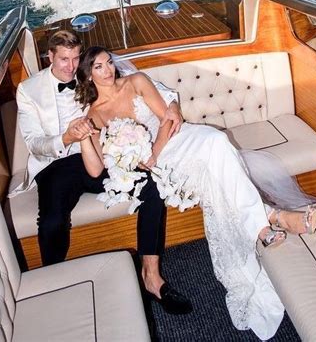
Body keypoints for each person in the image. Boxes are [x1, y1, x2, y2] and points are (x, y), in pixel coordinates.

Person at [76, 47, 316, 341]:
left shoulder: (136, 81)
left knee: (217, 141)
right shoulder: (95, 114)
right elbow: (102, 165)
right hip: (158, 166)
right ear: (90, 76)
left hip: (175, 140)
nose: (108, 70)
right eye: (99, 67)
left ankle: (264, 224)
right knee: (216, 172)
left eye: (109, 63)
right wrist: (123, 153)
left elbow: (165, 117)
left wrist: (154, 151)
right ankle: (270, 218)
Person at [14, 30, 192, 315]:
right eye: (63, 60)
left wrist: (172, 105)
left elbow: (146, 86)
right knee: (52, 221)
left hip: (103, 156)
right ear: (50, 57)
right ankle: (54, 286)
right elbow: (34, 143)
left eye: (75, 59)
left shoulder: (92, 72)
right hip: (58, 163)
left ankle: (151, 277)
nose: (71, 67)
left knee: (152, 188)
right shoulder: (28, 89)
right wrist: (68, 138)